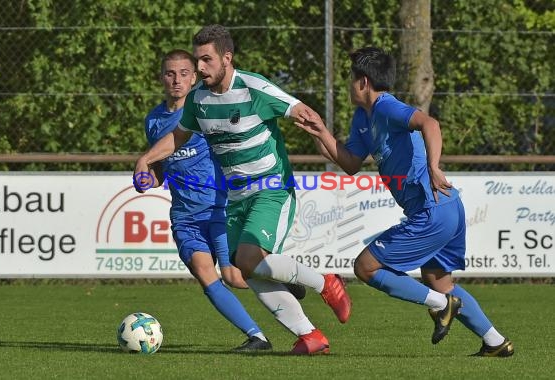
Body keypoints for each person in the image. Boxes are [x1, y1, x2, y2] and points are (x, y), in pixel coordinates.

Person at [134, 25, 352, 355]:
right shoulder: (198, 100)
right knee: (246, 272)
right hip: (235, 199)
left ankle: (326, 282)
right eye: (198, 60)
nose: (200, 68)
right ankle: (310, 336)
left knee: (247, 260)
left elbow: (303, 113)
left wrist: (336, 151)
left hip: (271, 187)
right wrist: (146, 159)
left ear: (227, 58)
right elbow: (178, 136)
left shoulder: (254, 87)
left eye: (206, 60)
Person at [295, 46, 514, 357]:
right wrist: (319, 132)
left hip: (433, 208)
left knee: (366, 267)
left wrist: (435, 167)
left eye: (350, 78)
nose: (347, 84)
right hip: (447, 208)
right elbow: (350, 162)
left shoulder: (386, 107)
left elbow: (430, 124)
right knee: (438, 280)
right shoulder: (363, 117)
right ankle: (495, 341)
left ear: (364, 82)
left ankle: (442, 306)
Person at [137, 48, 271, 351]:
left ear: (194, 77)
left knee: (235, 276)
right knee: (204, 274)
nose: (176, 80)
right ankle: (256, 336)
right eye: (170, 73)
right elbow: (162, 168)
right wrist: (150, 179)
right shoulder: (154, 121)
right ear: (161, 77)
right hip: (185, 216)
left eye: (184, 73)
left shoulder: (204, 111)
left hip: (219, 208)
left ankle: (287, 280)